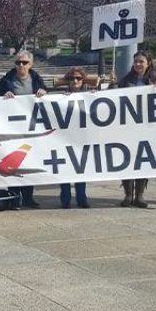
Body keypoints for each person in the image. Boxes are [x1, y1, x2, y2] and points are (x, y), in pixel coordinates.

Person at [0, 51, 48, 208]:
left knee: (28, 162)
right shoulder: (7, 80)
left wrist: (44, 92)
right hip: (12, 129)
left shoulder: (36, 79)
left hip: (31, 129)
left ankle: (28, 197)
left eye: (24, 63)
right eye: (18, 63)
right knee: (13, 163)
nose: (21, 65)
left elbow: (46, 97)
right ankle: (13, 198)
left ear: (30, 65)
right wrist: (3, 94)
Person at [117, 51, 156, 208]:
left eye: (141, 61)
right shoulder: (125, 81)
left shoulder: (155, 81)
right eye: (136, 61)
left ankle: (140, 195)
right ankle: (128, 195)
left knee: (144, 160)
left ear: (148, 63)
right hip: (128, 127)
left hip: (147, 128)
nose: (138, 64)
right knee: (127, 159)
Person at [58, 67, 90, 209]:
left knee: (80, 169)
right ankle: (65, 199)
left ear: (83, 80)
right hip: (65, 138)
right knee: (65, 169)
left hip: (82, 138)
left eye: (78, 78)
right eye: (72, 78)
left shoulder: (90, 96)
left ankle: (81, 198)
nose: (75, 81)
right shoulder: (61, 97)